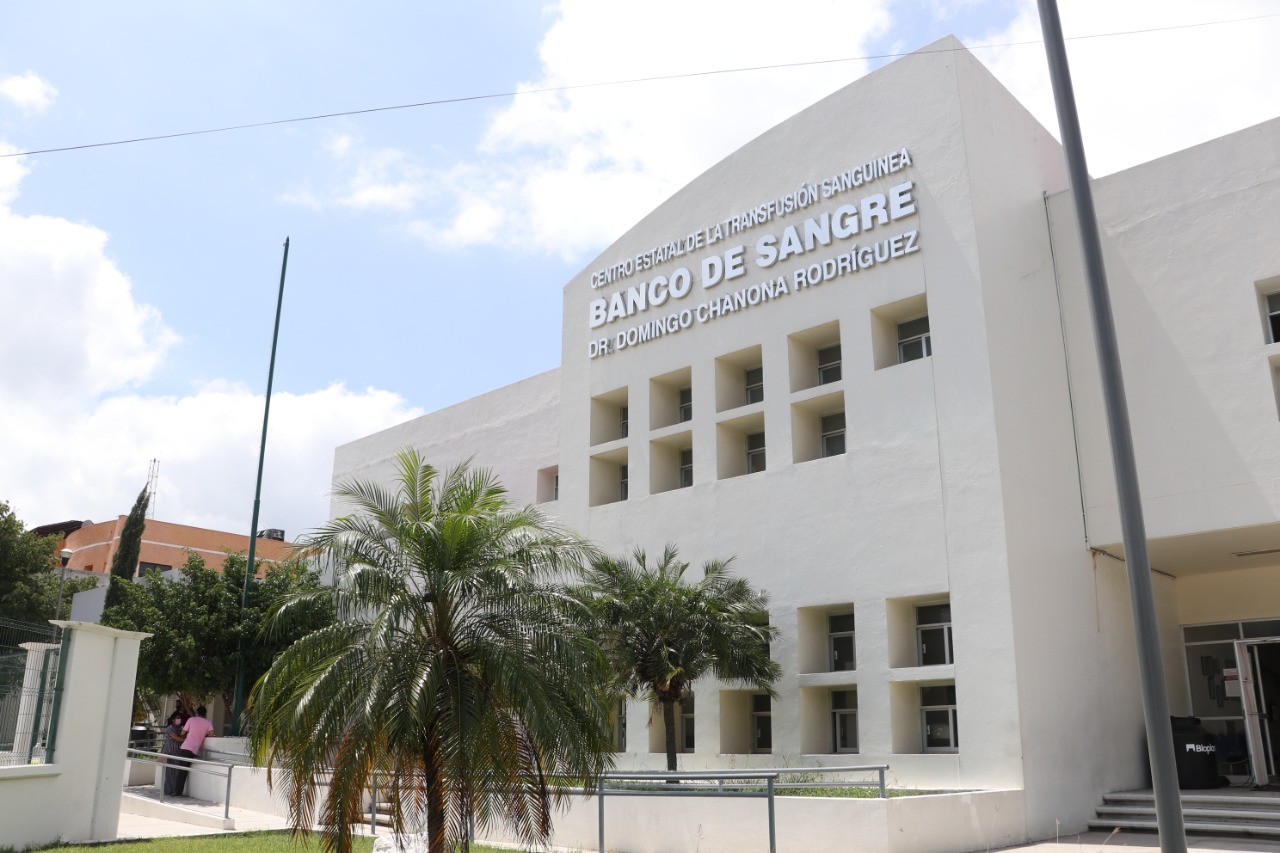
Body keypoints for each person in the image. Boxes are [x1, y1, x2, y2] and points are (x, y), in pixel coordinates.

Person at [173, 705, 214, 797]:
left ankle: (177, 792)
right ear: (205, 714)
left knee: (181, 771)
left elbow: (183, 733)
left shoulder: (191, 720)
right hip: (194, 750)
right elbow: (212, 734)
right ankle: (179, 792)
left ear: (197, 713)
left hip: (186, 747)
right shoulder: (208, 723)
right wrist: (203, 734)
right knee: (186, 770)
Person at [160, 710, 185, 796]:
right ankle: (168, 790)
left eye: (180, 718)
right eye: (177, 718)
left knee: (177, 772)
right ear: (173, 720)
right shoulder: (169, 728)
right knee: (170, 772)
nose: (179, 720)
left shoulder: (181, 728)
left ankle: (175, 789)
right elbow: (177, 738)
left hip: (179, 752)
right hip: (170, 751)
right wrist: (186, 740)